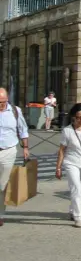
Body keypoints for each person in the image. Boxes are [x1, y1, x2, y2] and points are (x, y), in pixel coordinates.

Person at [0, 88, 29, 226]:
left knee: (2, 185)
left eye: (3, 101)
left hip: (8, 150)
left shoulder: (15, 111)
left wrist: (25, 148)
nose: (1, 104)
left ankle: (0, 214)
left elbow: (23, 129)